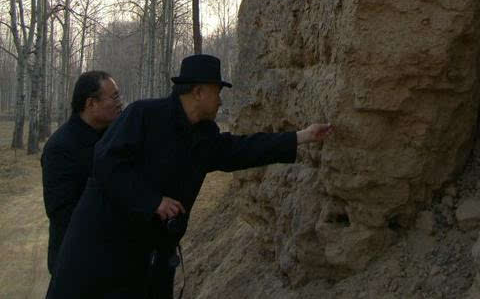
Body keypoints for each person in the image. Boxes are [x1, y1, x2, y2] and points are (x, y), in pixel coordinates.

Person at [48, 54, 332, 299]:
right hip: (102, 253)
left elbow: (242, 150)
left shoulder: (203, 135)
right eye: (216, 92)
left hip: (153, 258)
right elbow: (106, 165)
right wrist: (152, 201)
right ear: (198, 92)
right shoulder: (144, 115)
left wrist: (300, 137)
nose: (220, 101)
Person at [41, 70, 123, 275]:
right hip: (76, 263)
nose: (120, 102)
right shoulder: (60, 147)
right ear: (91, 104)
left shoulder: (115, 137)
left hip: (112, 260)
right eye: (114, 97)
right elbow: (62, 213)